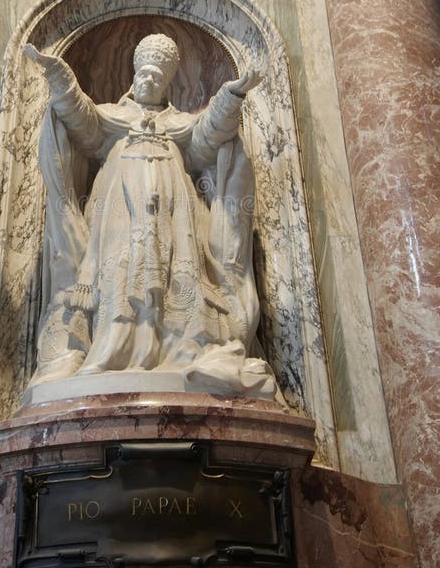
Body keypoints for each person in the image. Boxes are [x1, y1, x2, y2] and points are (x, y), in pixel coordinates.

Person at [25, 33, 278, 398]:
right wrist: (59, 75)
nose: (148, 80)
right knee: (119, 270)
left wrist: (231, 95)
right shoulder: (113, 117)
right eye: (144, 73)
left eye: (157, 77)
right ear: (133, 75)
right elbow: (82, 121)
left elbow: (206, 139)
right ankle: (112, 348)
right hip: (119, 209)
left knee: (176, 272)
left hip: (175, 211)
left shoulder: (178, 124)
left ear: (167, 84)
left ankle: (180, 348)